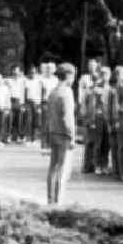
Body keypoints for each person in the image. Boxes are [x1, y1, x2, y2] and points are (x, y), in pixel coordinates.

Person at [46, 63, 76, 205]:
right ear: (69, 75)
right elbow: (67, 118)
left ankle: (51, 200)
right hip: (64, 134)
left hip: (53, 132)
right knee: (62, 170)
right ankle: (58, 202)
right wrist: (72, 136)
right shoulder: (67, 92)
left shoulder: (53, 92)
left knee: (53, 168)